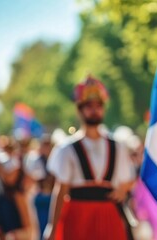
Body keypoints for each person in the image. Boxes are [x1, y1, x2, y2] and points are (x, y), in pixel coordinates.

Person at [43, 75, 136, 240]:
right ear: (79, 110)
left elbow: (129, 180)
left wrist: (123, 189)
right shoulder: (67, 148)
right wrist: (52, 226)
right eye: (89, 106)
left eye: (98, 105)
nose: (94, 110)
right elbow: (61, 189)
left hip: (110, 214)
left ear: (104, 108)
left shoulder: (118, 146)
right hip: (78, 216)